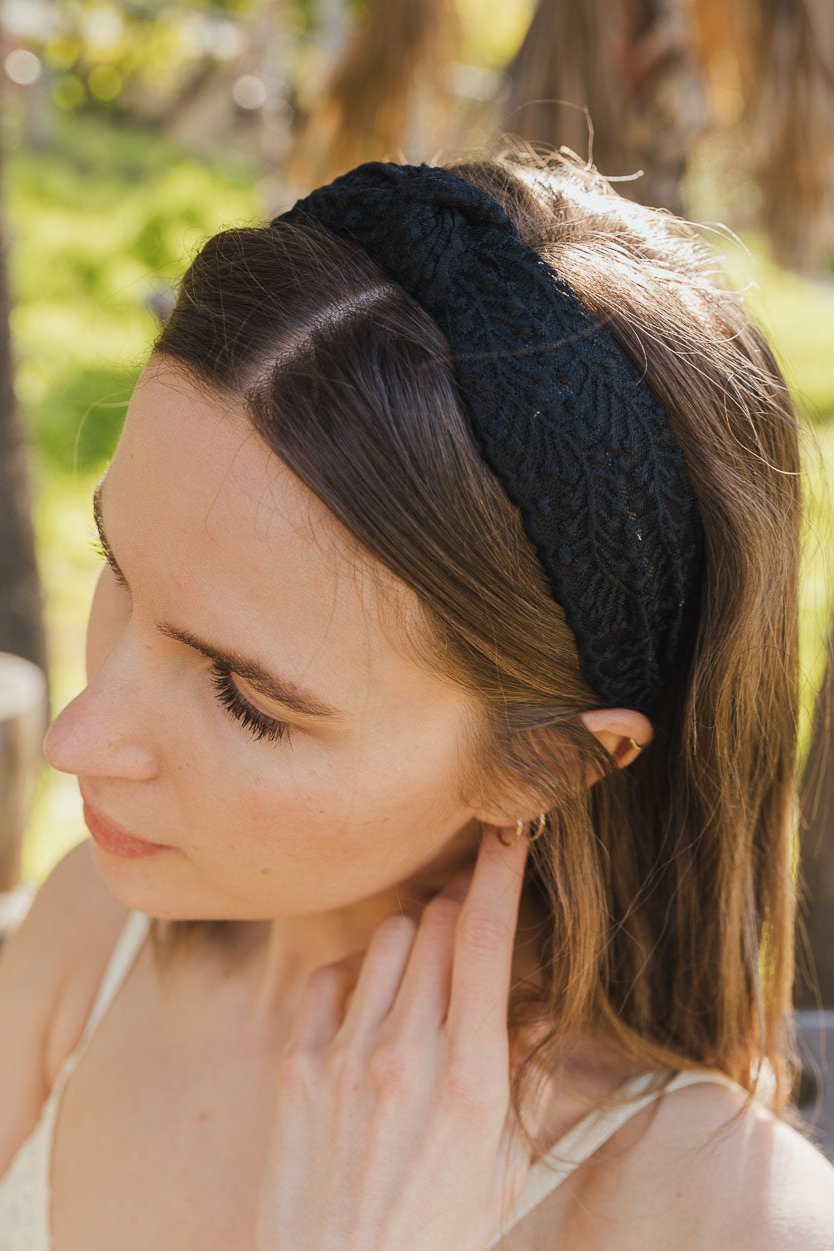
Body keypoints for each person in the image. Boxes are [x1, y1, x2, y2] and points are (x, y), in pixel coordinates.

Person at [1, 138, 832, 1250]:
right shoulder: (94, 932)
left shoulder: (725, 1216)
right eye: (117, 568)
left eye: (247, 697)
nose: (77, 738)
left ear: (544, 761)